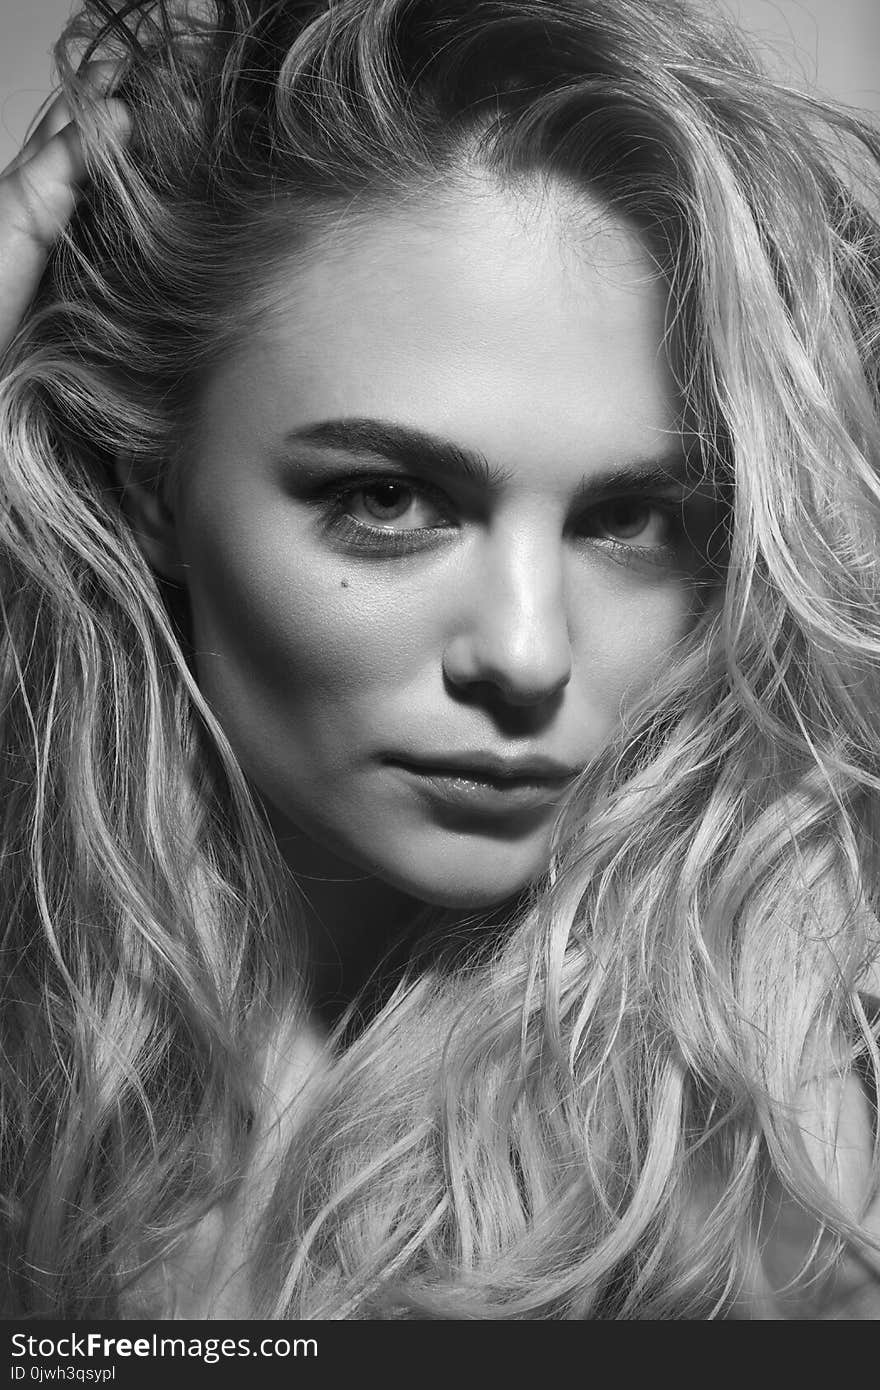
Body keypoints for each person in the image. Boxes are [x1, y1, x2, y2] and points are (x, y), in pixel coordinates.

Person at [1, 0, 879, 1321]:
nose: (525, 655)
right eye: (394, 498)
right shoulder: (40, 1016)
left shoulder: (788, 1114)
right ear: (147, 485)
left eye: (630, 516)